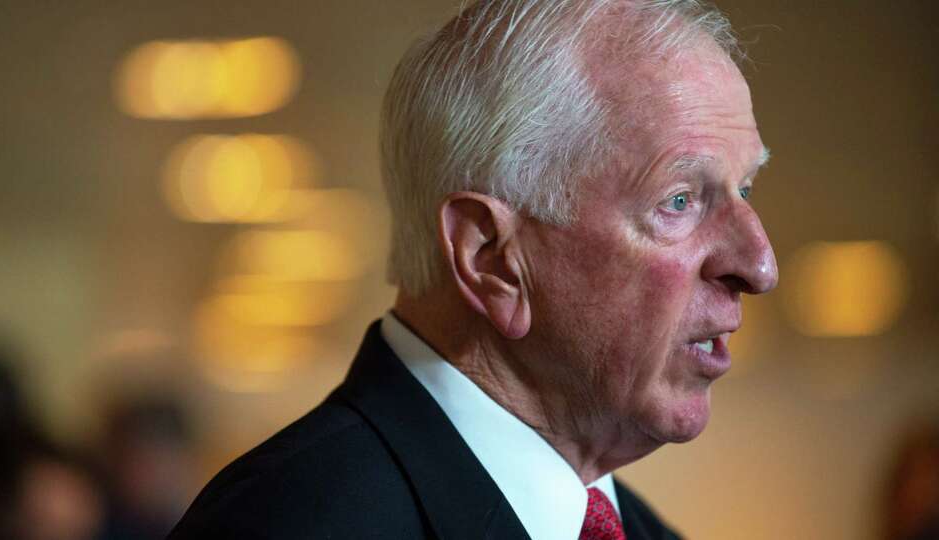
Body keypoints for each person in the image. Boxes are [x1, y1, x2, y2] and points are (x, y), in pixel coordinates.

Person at [170, 0, 778, 538]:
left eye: (745, 191)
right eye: (679, 200)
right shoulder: (283, 524)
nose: (759, 264)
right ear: (491, 259)